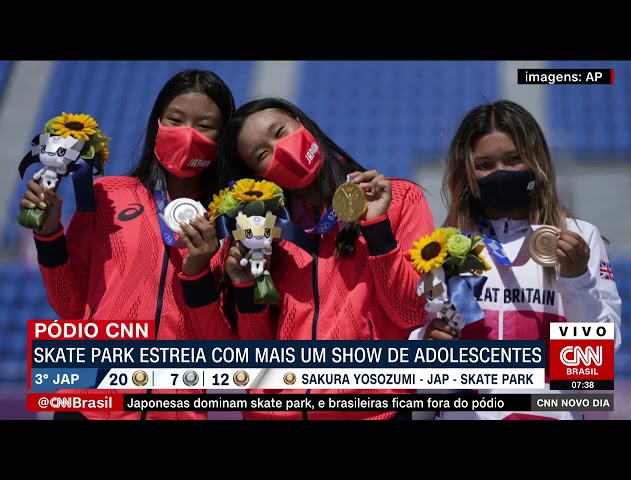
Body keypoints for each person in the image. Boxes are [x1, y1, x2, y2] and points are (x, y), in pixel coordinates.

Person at [182, 96, 435, 420]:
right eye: (263, 154)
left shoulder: (396, 200)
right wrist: (246, 286)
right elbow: (255, 350)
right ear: (255, 174)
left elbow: (410, 312)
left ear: (300, 123)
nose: (281, 149)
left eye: (280, 131)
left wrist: (376, 228)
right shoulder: (262, 230)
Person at [19, 68, 237, 420]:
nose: (187, 134)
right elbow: (69, 306)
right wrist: (49, 236)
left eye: (205, 126)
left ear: (223, 138)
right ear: (157, 125)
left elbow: (222, 349)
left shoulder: (231, 223)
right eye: (176, 120)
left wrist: (198, 277)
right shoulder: (106, 195)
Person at [410, 99, 622, 420]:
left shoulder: (578, 238)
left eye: (513, 160)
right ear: (467, 174)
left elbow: (595, 361)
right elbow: (423, 375)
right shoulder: (449, 247)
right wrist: (428, 346)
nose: (500, 173)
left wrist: (576, 279)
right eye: (485, 165)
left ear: (536, 162)